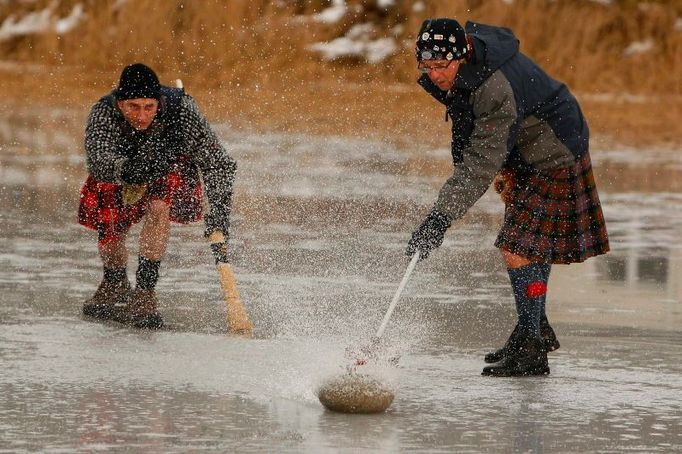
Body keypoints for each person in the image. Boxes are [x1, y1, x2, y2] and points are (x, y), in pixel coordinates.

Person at [406, 19, 609, 376]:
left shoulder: (492, 86)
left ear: (462, 54)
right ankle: (532, 329)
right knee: (530, 246)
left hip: (553, 151)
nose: (436, 75)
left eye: (442, 66)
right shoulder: (472, 65)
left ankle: (532, 349)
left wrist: (440, 218)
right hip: (526, 145)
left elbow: (480, 162)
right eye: (428, 66)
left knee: (519, 247)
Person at [78, 63, 236, 329]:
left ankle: (145, 292)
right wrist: (129, 170)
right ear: (120, 104)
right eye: (133, 107)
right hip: (121, 169)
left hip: (169, 165)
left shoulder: (182, 110)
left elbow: (218, 162)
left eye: (148, 107)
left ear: (159, 102)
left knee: (158, 206)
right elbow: (98, 162)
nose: (142, 116)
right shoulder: (103, 112)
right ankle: (115, 280)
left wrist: (219, 211)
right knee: (110, 226)